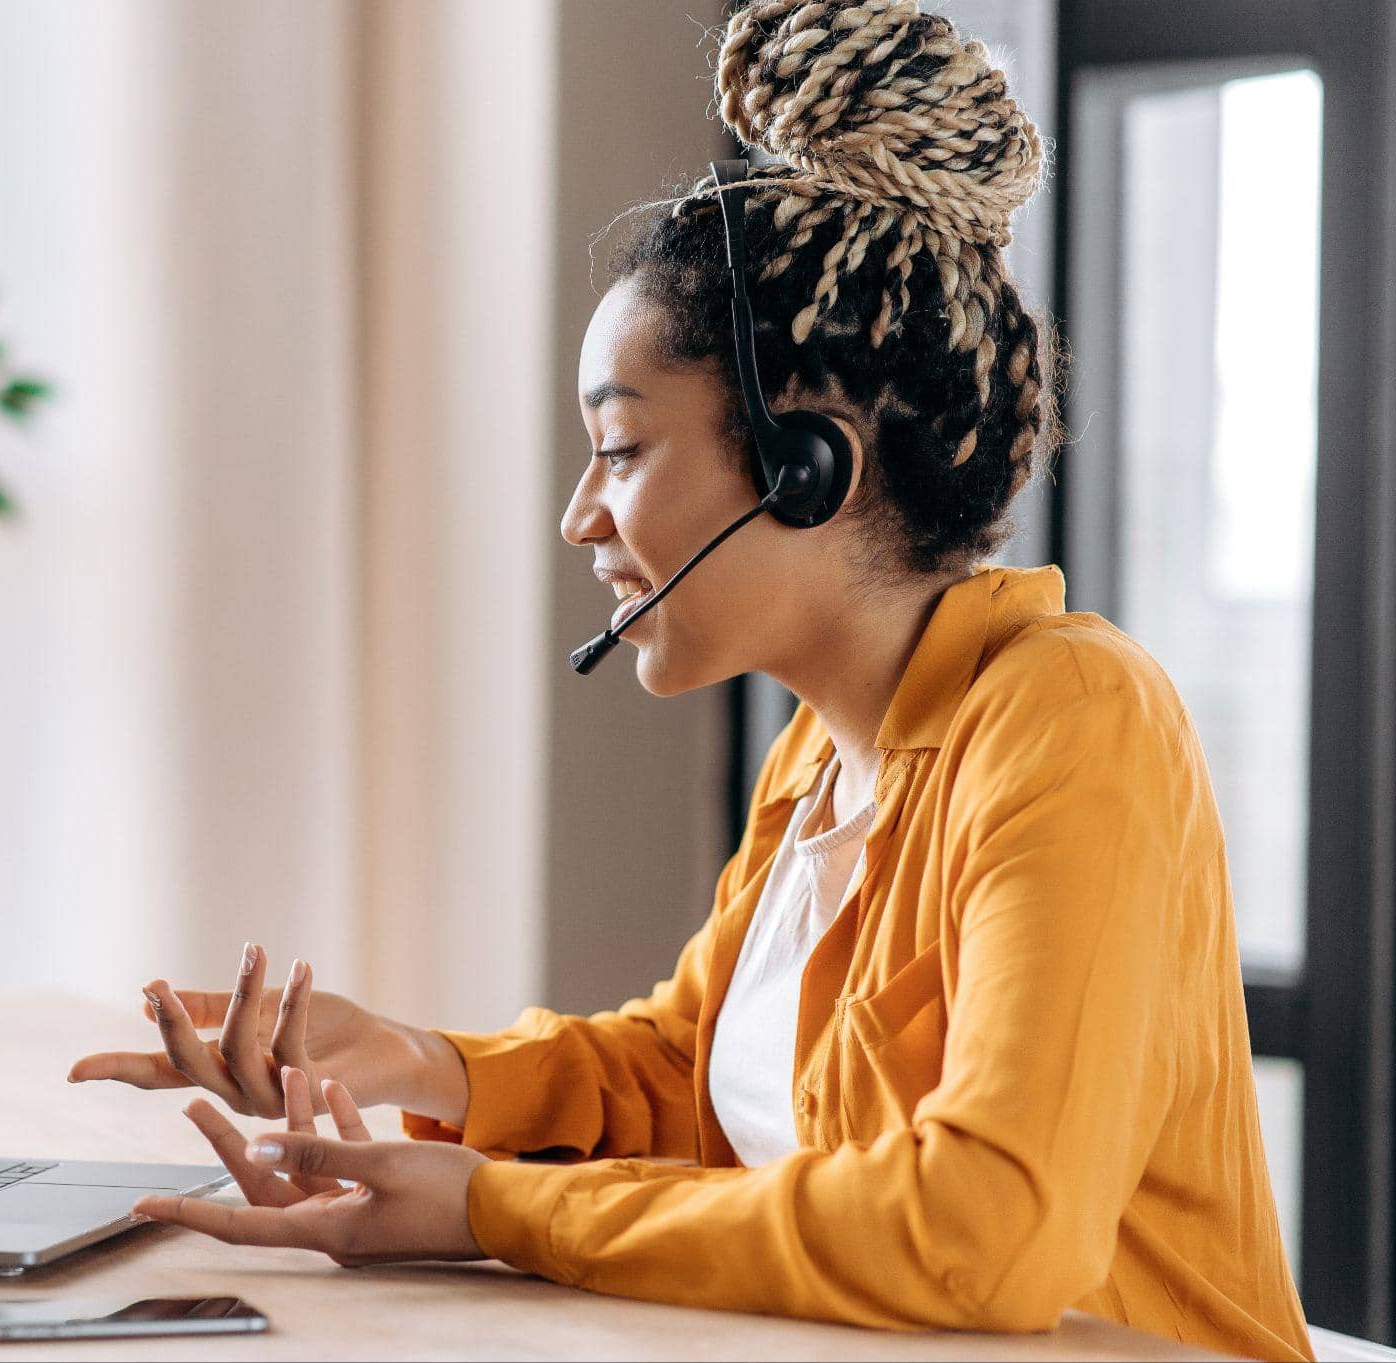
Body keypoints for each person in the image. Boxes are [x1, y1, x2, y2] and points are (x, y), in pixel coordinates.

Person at [67, 5, 1312, 1359]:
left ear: (805, 464)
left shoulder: (1071, 719)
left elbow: (987, 1228)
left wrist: (500, 1205)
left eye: (621, 448)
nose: (580, 517)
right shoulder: (825, 751)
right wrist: (424, 1063)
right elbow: (690, 1077)